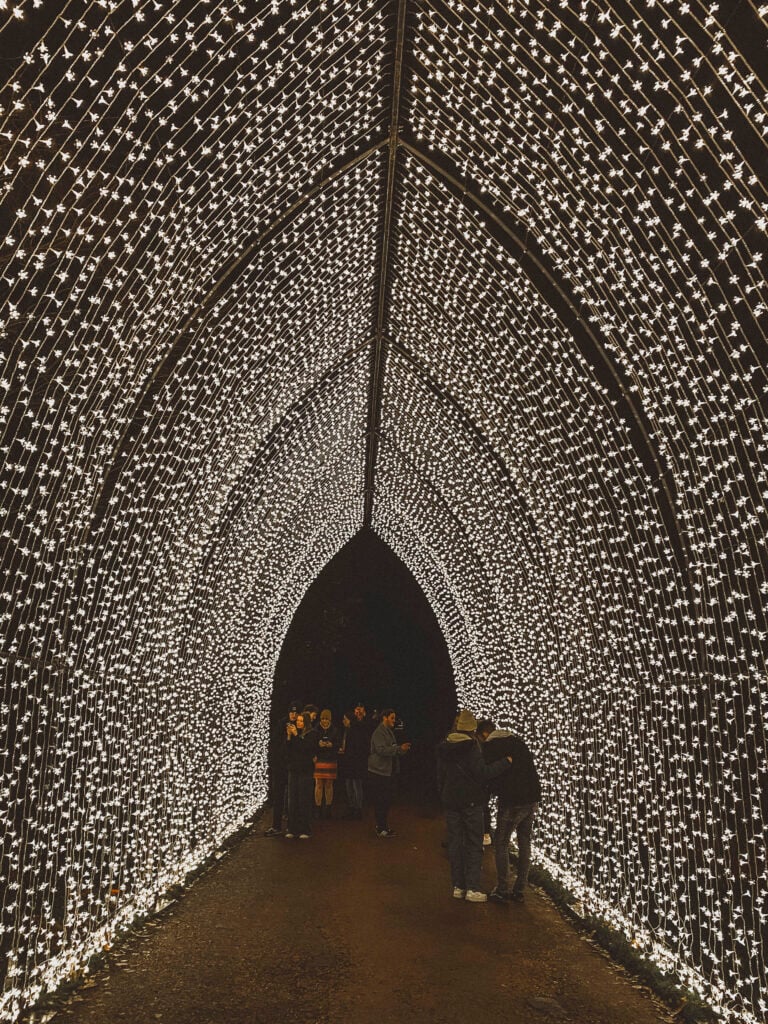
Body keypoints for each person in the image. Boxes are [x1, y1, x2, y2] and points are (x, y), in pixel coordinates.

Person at [436, 709, 513, 902]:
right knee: (473, 843)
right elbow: (482, 772)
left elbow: (440, 776)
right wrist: (505, 763)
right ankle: (472, 888)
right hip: (471, 801)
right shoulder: (472, 747)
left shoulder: (445, 746)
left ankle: (458, 886)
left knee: (455, 844)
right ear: (472, 729)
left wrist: (445, 794)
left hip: (451, 801)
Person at [482, 725, 542, 903]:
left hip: (512, 800)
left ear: (485, 734)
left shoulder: (490, 747)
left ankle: (502, 889)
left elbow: (491, 775)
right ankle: (519, 889)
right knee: (525, 842)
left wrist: (491, 792)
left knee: (501, 843)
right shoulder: (518, 743)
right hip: (531, 798)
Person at [367, 708, 411, 837]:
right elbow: (381, 750)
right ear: (384, 718)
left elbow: (390, 749)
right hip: (379, 771)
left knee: (385, 800)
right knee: (381, 800)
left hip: (386, 770)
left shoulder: (388, 732)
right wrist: (398, 749)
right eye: (392, 718)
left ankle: (382, 826)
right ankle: (381, 827)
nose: (394, 720)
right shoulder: (379, 732)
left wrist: (401, 750)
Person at [264, 700, 300, 837]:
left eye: (296, 712)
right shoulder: (281, 724)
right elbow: (275, 744)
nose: (294, 714)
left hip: (291, 766)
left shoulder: (299, 725)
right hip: (280, 765)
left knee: (292, 797)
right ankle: (276, 825)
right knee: (279, 796)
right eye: (292, 712)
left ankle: (292, 826)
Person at [285, 712, 318, 839]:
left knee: (304, 799)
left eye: (301, 721)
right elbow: (288, 750)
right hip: (293, 769)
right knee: (292, 800)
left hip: (305, 771)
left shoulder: (312, 734)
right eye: (297, 721)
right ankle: (292, 828)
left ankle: (305, 828)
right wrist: (289, 737)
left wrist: (296, 735)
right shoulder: (295, 735)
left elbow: (306, 749)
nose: (298, 723)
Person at [340, 702, 369, 819]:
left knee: (356, 785)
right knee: (350, 786)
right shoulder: (347, 731)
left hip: (356, 762)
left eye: (345, 719)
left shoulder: (356, 730)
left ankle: (357, 809)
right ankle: (352, 807)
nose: (343, 721)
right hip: (349, 762)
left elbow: (359, 747)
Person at [313, 709, 340, 818]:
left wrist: (331, 744)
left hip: (330, 759)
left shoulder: (335, 730)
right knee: (318, 784)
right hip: (319, 759)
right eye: (323, 719)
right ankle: (318, 809)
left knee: (329, 784)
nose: (324, 721)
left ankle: (328, 808)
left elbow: (338, 743)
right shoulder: (315, 729)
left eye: (327, 719)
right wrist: (317, 744)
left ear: (330, 719)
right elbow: (311, 742)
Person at [475, 717, 496, 847]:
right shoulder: (477, 746)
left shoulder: (479, 744)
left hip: (481, 784)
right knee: (482, 808)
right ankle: (484, 834)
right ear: (485, 733)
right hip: (479, 784)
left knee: (483, 808)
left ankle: (484, 834)